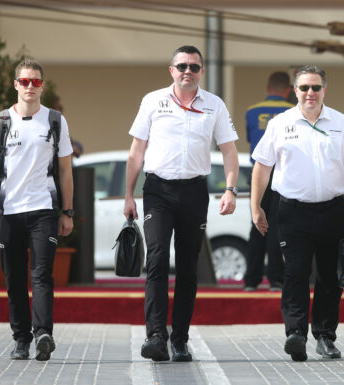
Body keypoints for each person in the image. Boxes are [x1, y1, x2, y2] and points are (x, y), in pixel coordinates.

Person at [124, 45, 239, 362]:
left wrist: (230, 189)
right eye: (182, 66)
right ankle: (156, 336)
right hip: (158, 190)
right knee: (158, 260)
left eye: (194, 66)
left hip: (194, 192)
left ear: (201, 71)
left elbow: (229, 151)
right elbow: (136, 151)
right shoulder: (153, 101)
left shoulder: (214, 105)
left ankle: (180, 339)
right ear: (171, 70)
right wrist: (129, 195)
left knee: (188, 267)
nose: (188, 71)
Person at [251, 65, 344, 361]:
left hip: (332, 210)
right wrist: (255, 206)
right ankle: (296, 334)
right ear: (295, 90)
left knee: (329, 276)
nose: (310, 93)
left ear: (325, 90)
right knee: (295, 273)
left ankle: (325, 336)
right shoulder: (280, 123)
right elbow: (262, 167)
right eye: (304, 88)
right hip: (292, 211)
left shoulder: (343, 123)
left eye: (316, 87)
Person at [0, 58, 74, 361]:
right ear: (16, 85)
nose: (30, 86)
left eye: (35, 81)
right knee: (14, 278)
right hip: (9, 211)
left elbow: (65, 171)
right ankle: (21, 339)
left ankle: (43, 333)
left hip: (43, 210)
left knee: (42, 275)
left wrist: (67, 212)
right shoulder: (2, 121)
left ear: (42, 85)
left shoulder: (56, 121)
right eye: (24, 81)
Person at [243, 71, 293, 292]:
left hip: (258, 172)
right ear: (288, 90)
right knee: (277, 225)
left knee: (256, 224)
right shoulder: (293, 112)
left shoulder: (252, 111)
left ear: (267, 87)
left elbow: (250, 140)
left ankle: (251, 280)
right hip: (282, 172)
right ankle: (276, 278)